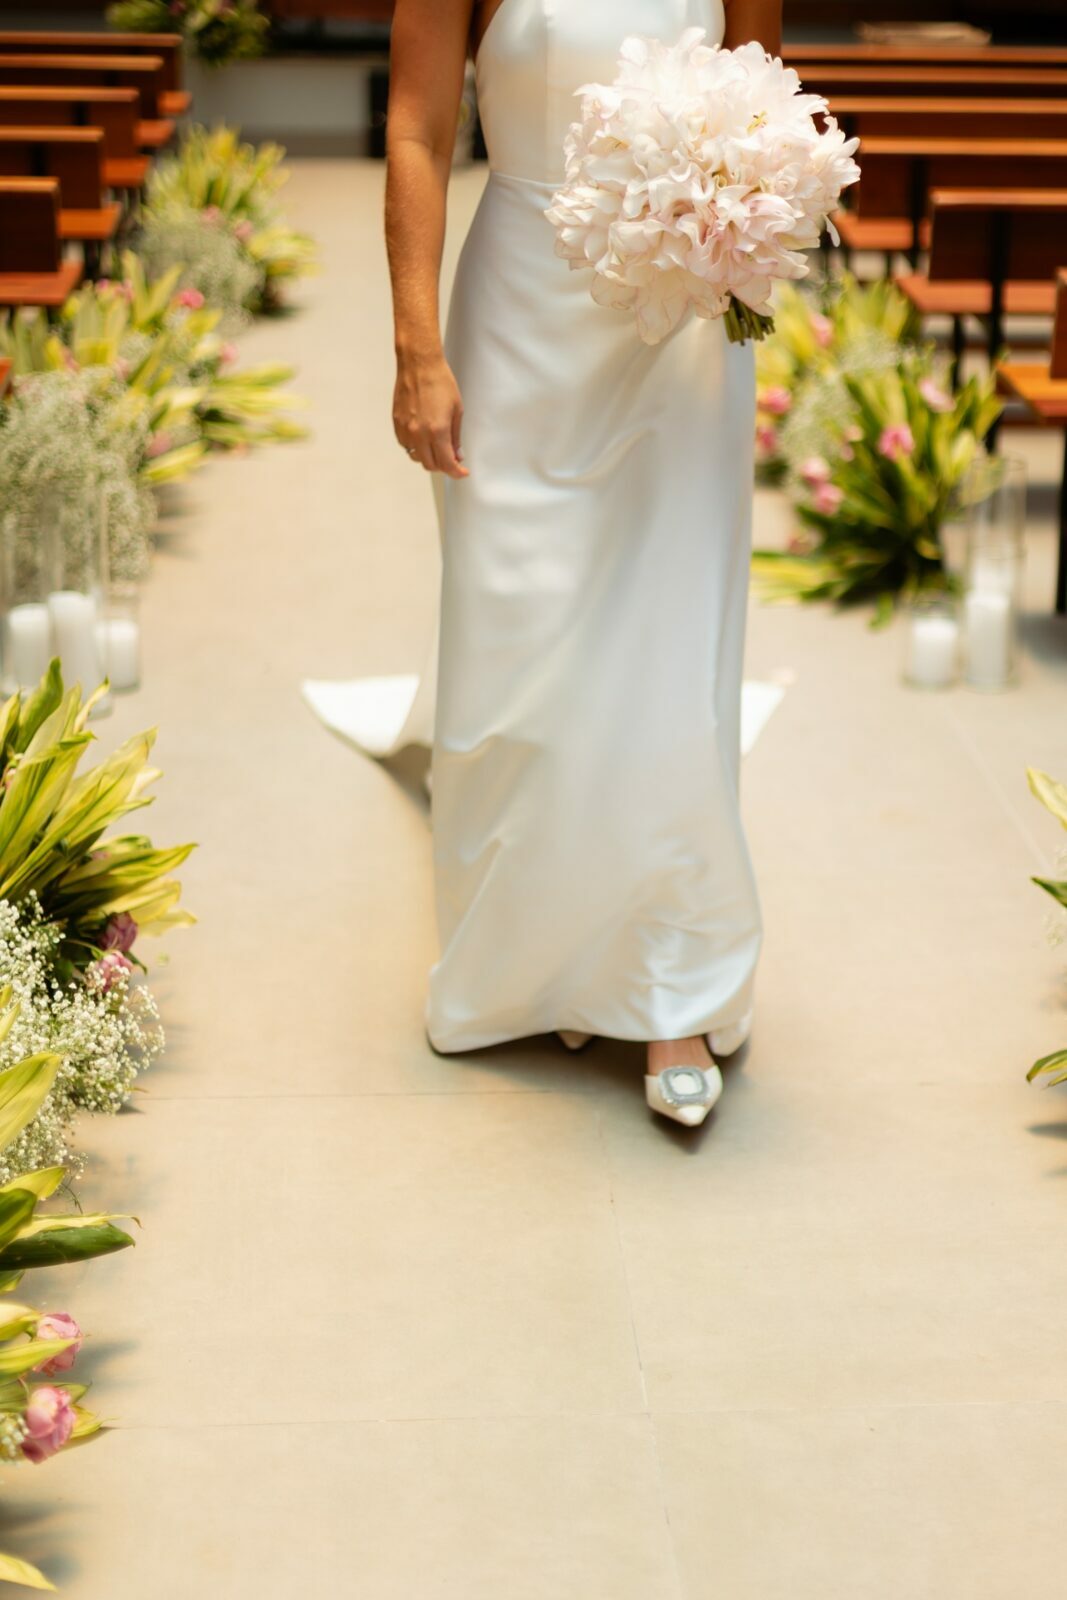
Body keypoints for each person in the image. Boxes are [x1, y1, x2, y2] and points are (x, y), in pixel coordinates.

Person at [385, 0, 780, 1127]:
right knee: (519, 631)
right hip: (519, 307)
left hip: (677, 324)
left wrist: (741, 218)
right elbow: (416, 129)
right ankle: (537, 954)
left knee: (666, 640)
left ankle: (670, 986)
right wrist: (417, 348)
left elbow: (762, 101)